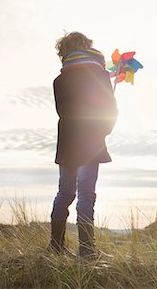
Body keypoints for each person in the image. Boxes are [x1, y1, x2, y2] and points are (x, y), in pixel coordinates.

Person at [47, 31, 118, 259]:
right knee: (86, 195)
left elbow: (63, 113)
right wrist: (103, 132)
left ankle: (56, 247)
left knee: (64, 193)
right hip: (90, 144)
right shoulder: (99, 74)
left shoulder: (59, 80)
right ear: (86, 47)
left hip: (68, 144)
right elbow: (110, 111)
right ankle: (86, 251)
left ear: (64, 52)